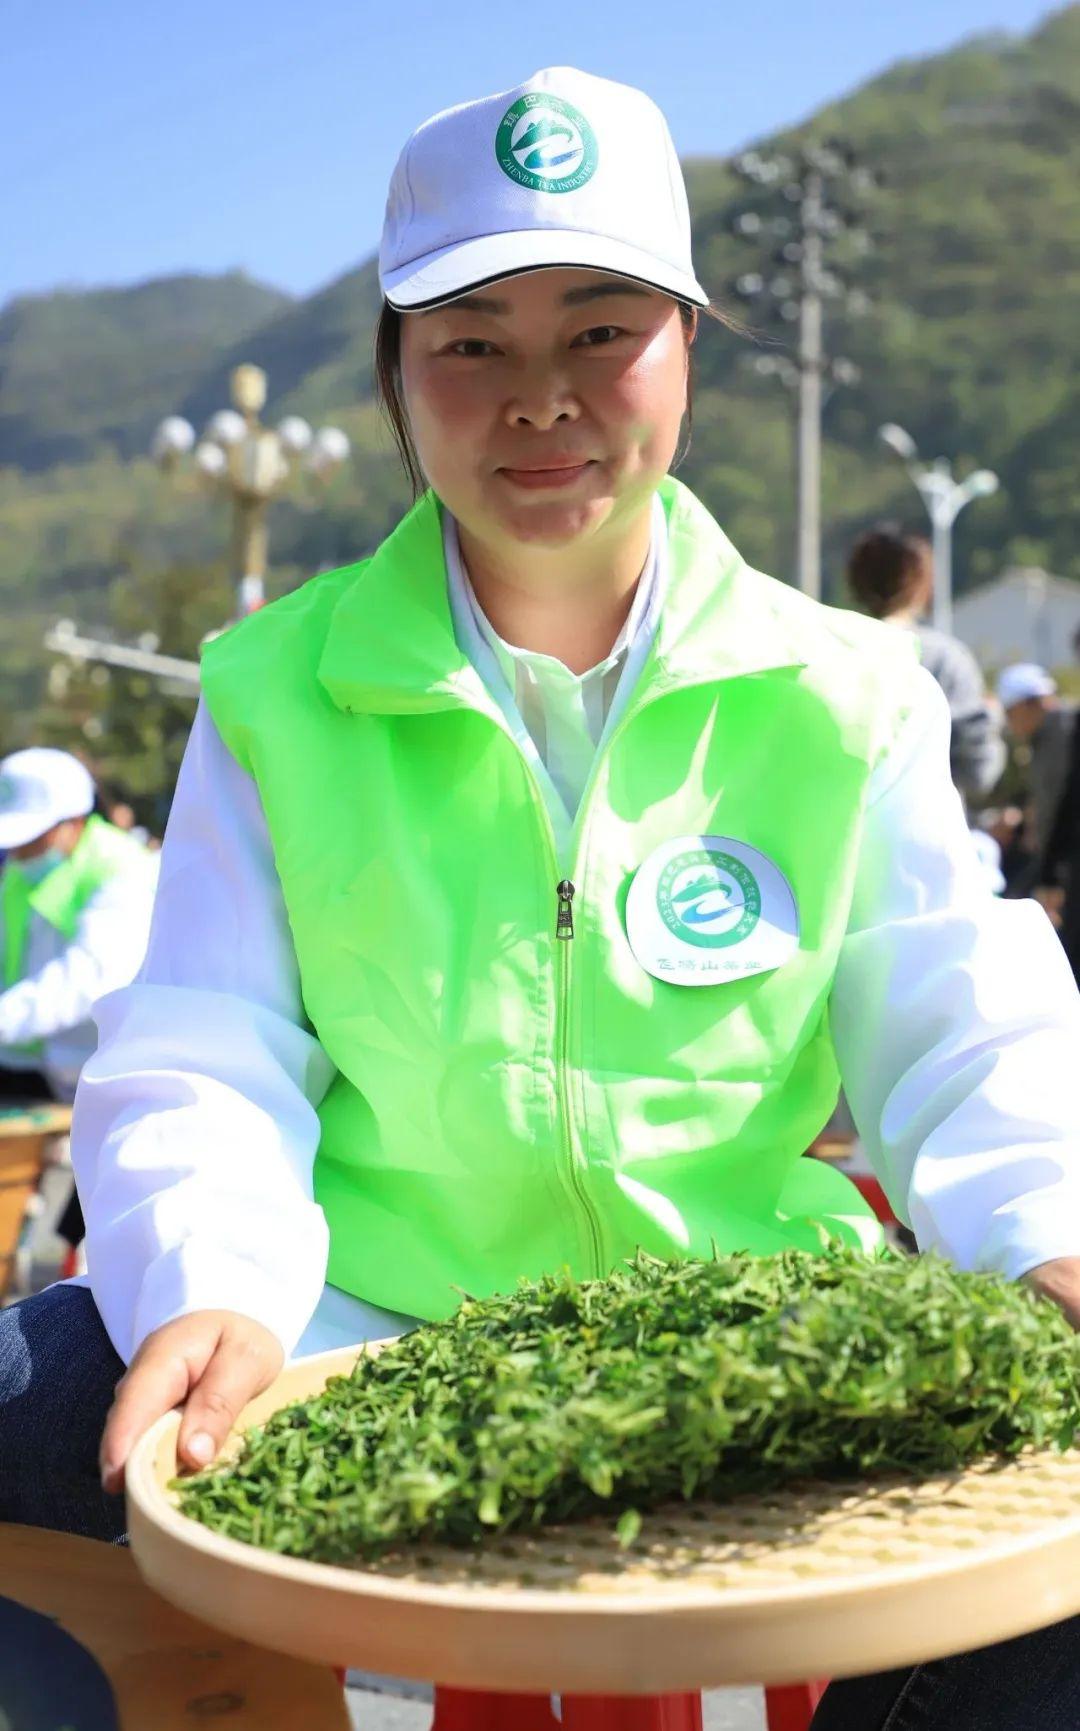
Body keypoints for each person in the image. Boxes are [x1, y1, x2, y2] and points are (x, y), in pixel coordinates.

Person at [3, 68, 1080, 1729]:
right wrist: (214, 1283)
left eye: (601, 331)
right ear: (395, 373)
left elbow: (959, 1018)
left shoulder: (841, 690)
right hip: (355, 1325)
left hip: (751, 1330)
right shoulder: (281, 688)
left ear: (687, 351)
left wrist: (1049, 1237)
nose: (541, 398)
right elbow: (209, 1046)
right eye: (472, 342)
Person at [0, 748, 159, 1247]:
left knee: (96, 1225)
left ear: (70, 823)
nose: (18, 850)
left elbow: (84, 980)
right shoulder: (23, 871)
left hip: (112, 1066)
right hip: (36, 1061)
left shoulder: (123, 871)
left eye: (30, 837)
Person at [845, 525, 1006, 806]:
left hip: (839, 822)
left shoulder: (830, 647)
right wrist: (991, 717)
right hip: (921, 822)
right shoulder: (945, 659)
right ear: (922, 582)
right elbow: (979, 773)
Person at [998, 663, 1076, 874]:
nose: (1008, 722)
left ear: (1024, 706)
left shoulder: (1063, 734)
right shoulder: (1045, 736)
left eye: (1009, 713)